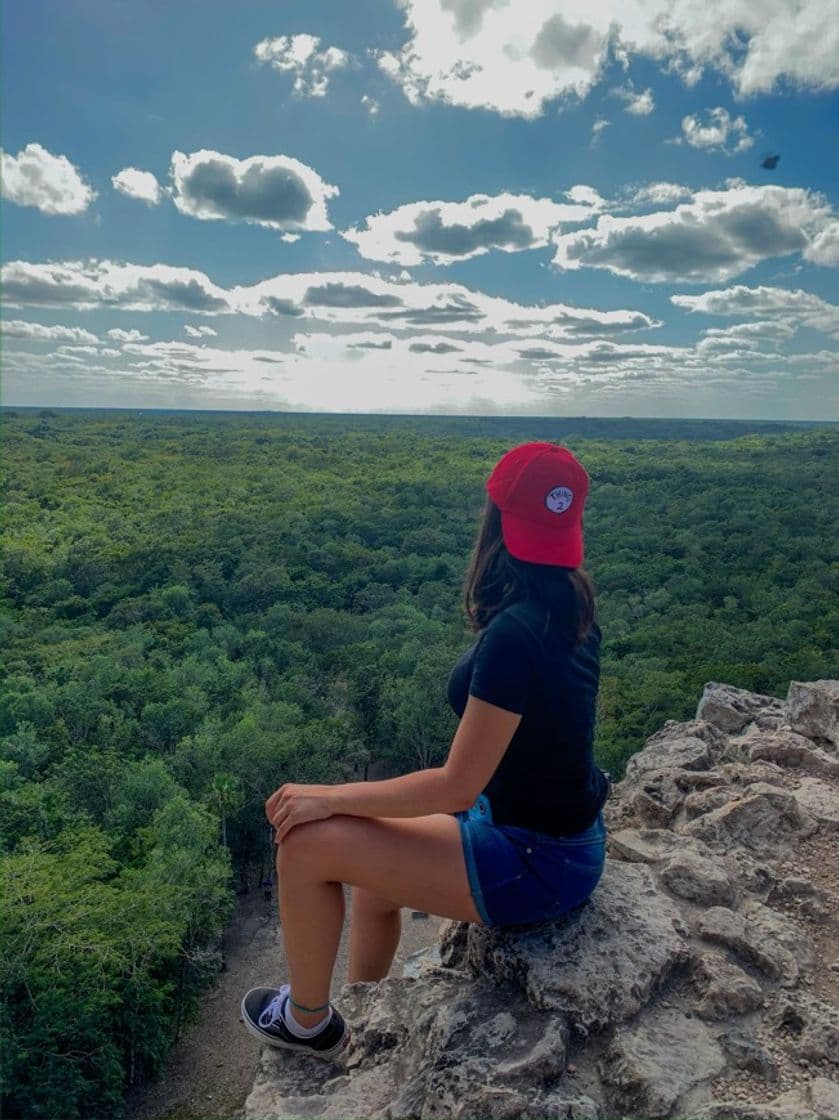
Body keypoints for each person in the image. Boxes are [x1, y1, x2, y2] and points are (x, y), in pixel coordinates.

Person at [241, 441, 610, 1062]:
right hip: (564, 843)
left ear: (495, 521)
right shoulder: (571, 606)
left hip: (534, 862)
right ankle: (365, 1006)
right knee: (375, 878)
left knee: (304, 845)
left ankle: (308, 1024)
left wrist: (326, 797)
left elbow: (455, 788)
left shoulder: (514, 636)